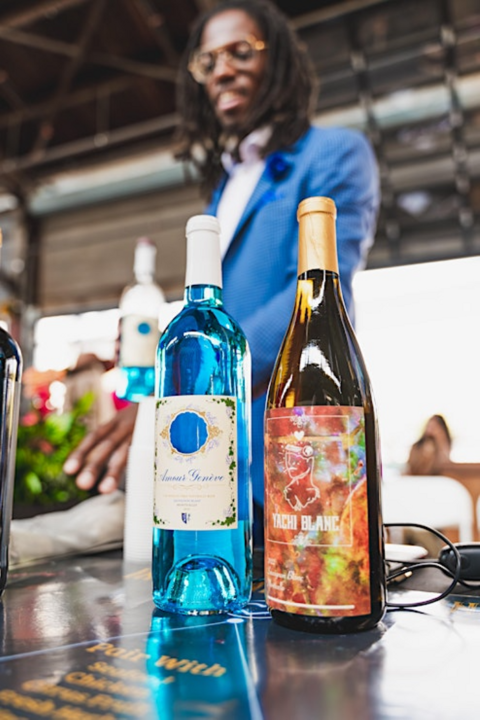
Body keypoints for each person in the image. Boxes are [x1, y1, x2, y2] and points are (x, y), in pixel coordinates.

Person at [63, 0, 380, 517]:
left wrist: (180, 389)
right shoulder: (225, 187)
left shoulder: (335, 153)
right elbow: (218, 313)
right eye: (208, 61)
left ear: (277, 59)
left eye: (240, 52)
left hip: (292, 450)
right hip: (215, 466)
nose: (223, 69)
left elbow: (314, 297)